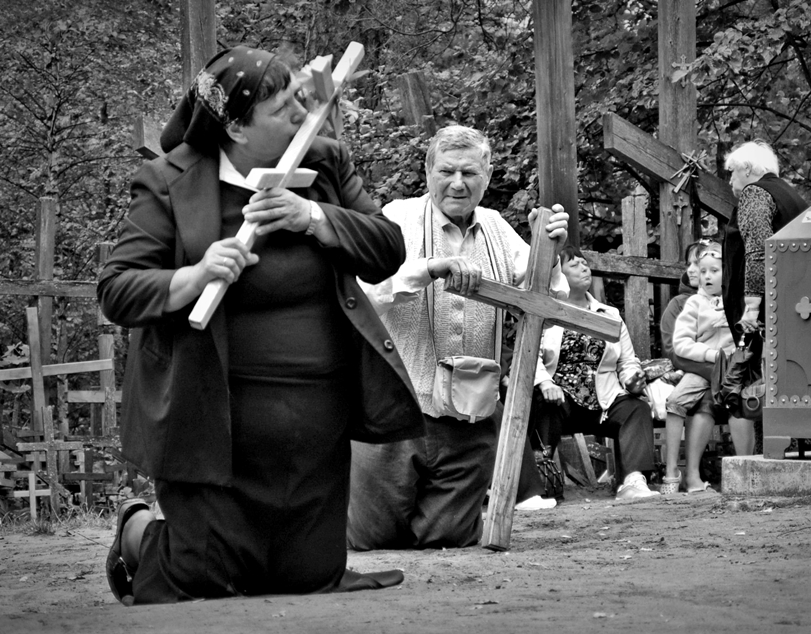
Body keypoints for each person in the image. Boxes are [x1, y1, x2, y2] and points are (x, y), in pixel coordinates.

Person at [98, 46, 424, 605]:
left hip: (315, 416)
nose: (302, 114)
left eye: (300, 99)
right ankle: (135, 531)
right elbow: (118, 289)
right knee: (205, 579)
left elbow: (387, 249)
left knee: (306, 579)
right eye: (282, 109)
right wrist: (194, 275)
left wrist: (316, 218)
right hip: (210, 419)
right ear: (236, 128)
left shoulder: (324, 165)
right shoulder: (169, 180)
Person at [346, 125, 570, 550]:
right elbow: (366, 291)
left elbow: (549, 299)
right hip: (397, 410)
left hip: (469, 418)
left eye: (470, 172)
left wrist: (550, 254)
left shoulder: (498, 228)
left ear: (487, 174)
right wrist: (431, 268)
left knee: (446, 537)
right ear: (427, 171)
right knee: (371, 538)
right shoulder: (397, 218)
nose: (457, 183)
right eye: (446, 170)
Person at [529, 245, 660, 501]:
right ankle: (538, 479)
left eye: (584, 262)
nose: (584, 267)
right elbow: (530, 356)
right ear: (557, 274)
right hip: (560, 401)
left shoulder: (610, 315)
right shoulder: (546, 313)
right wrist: (545, 382)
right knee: (543, 400)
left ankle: (632, 481)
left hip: (604, 402)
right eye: (574, 264)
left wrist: (632, 379)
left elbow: (627, 360)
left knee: (637, 408)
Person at [663, 242, 754, 492]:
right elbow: (679, 346)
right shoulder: (693, 304)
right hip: (706, 365)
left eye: (713, 271)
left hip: (735, 369)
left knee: (739, 401)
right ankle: (673, 473)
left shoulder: (738, 301)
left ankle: (746, 469)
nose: (705, 276)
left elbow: (751, 335)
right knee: (677, 401)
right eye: (702, 271)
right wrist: (712, 356)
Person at [722, 140, 807, 345]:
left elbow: (758, 250)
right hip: (795, 299)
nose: (731, 180)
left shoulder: (755, 193)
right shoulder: (791, 196)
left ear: (748, 169)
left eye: (733, 172)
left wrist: (751, 308)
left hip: (767, 314)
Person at [658, 239, 718, 493]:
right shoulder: (678, 305)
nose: (693, 269)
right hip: (698, 372)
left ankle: (694, 474)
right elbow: (673, 349)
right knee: (688, 399)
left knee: (709, 400)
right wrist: (712, 370)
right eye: (690, 263)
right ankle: (676, 472)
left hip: (721, 375)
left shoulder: (723, 301)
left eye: (699, 263)